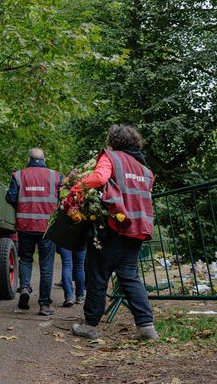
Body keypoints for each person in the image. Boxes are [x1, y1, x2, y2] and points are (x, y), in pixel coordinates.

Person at [71, 124, 159, 340]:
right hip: (138, 228)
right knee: (129, 276)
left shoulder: (111, 157)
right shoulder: (146, 170)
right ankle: (146, 327)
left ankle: (90, 325)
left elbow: (100, 179)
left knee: (98, 275)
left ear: (113, 141)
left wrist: (76, 187)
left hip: (113, 226)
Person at [6, 148, 62, 316]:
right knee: (46, 266)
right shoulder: (56, 176)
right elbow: (65, 197)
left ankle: (24, 288)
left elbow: (10, 197)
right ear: (44, 159)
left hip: (25, 226)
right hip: (48, 228)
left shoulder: (18, 175)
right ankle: (44, 305)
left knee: (25, 260)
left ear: (28, 158)